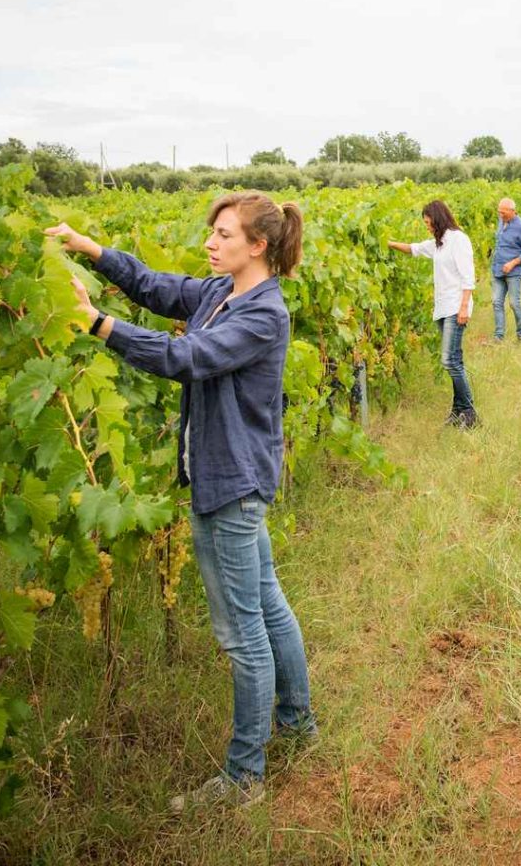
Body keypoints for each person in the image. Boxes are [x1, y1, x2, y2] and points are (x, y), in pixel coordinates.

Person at [45, 191, 316, 812]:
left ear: (258, 246)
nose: (210, 243)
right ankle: (298, 725)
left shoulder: (263, 315)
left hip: (230, 485)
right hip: (234, 478)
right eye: (211, 233)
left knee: (242, 633)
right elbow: (158, 286)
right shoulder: (222, 294)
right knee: (268, 605)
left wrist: (97, 323)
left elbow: (183, 357)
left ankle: (245, 777)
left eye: (223, 234)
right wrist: (92, 249)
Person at [388, 200, 478, 428]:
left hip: (456, 307)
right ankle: (458, 411)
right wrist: (388, 243)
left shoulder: (458, 239)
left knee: (449, 360)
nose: (427, 226)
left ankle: (469, 411)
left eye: (428, 222)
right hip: (442, 308)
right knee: (455, 359)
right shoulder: (438, 244)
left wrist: (464, 307)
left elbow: (468, 275)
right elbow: (413, 249)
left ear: (438, 219)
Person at [490, 197, 521, 342]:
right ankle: (499, 336)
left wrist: (513, 263)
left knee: (514, 303)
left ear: (513, 211)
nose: (501, 215)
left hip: (513, 272)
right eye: (499, 212)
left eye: (504, 213)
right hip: (498, 270)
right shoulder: (501, 221)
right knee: (497, 302)